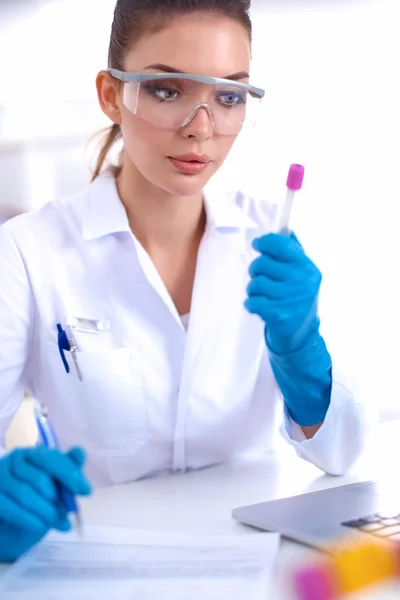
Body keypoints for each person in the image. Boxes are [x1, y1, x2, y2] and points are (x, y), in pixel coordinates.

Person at [0, 0, 365, 561]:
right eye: (168, 91)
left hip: (256, 563)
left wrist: (304, 358)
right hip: (100, 565)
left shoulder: (275, 238)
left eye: (229, 96)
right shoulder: (27, 253)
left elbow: (340, 456)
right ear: (110, 94)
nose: (201, 128)